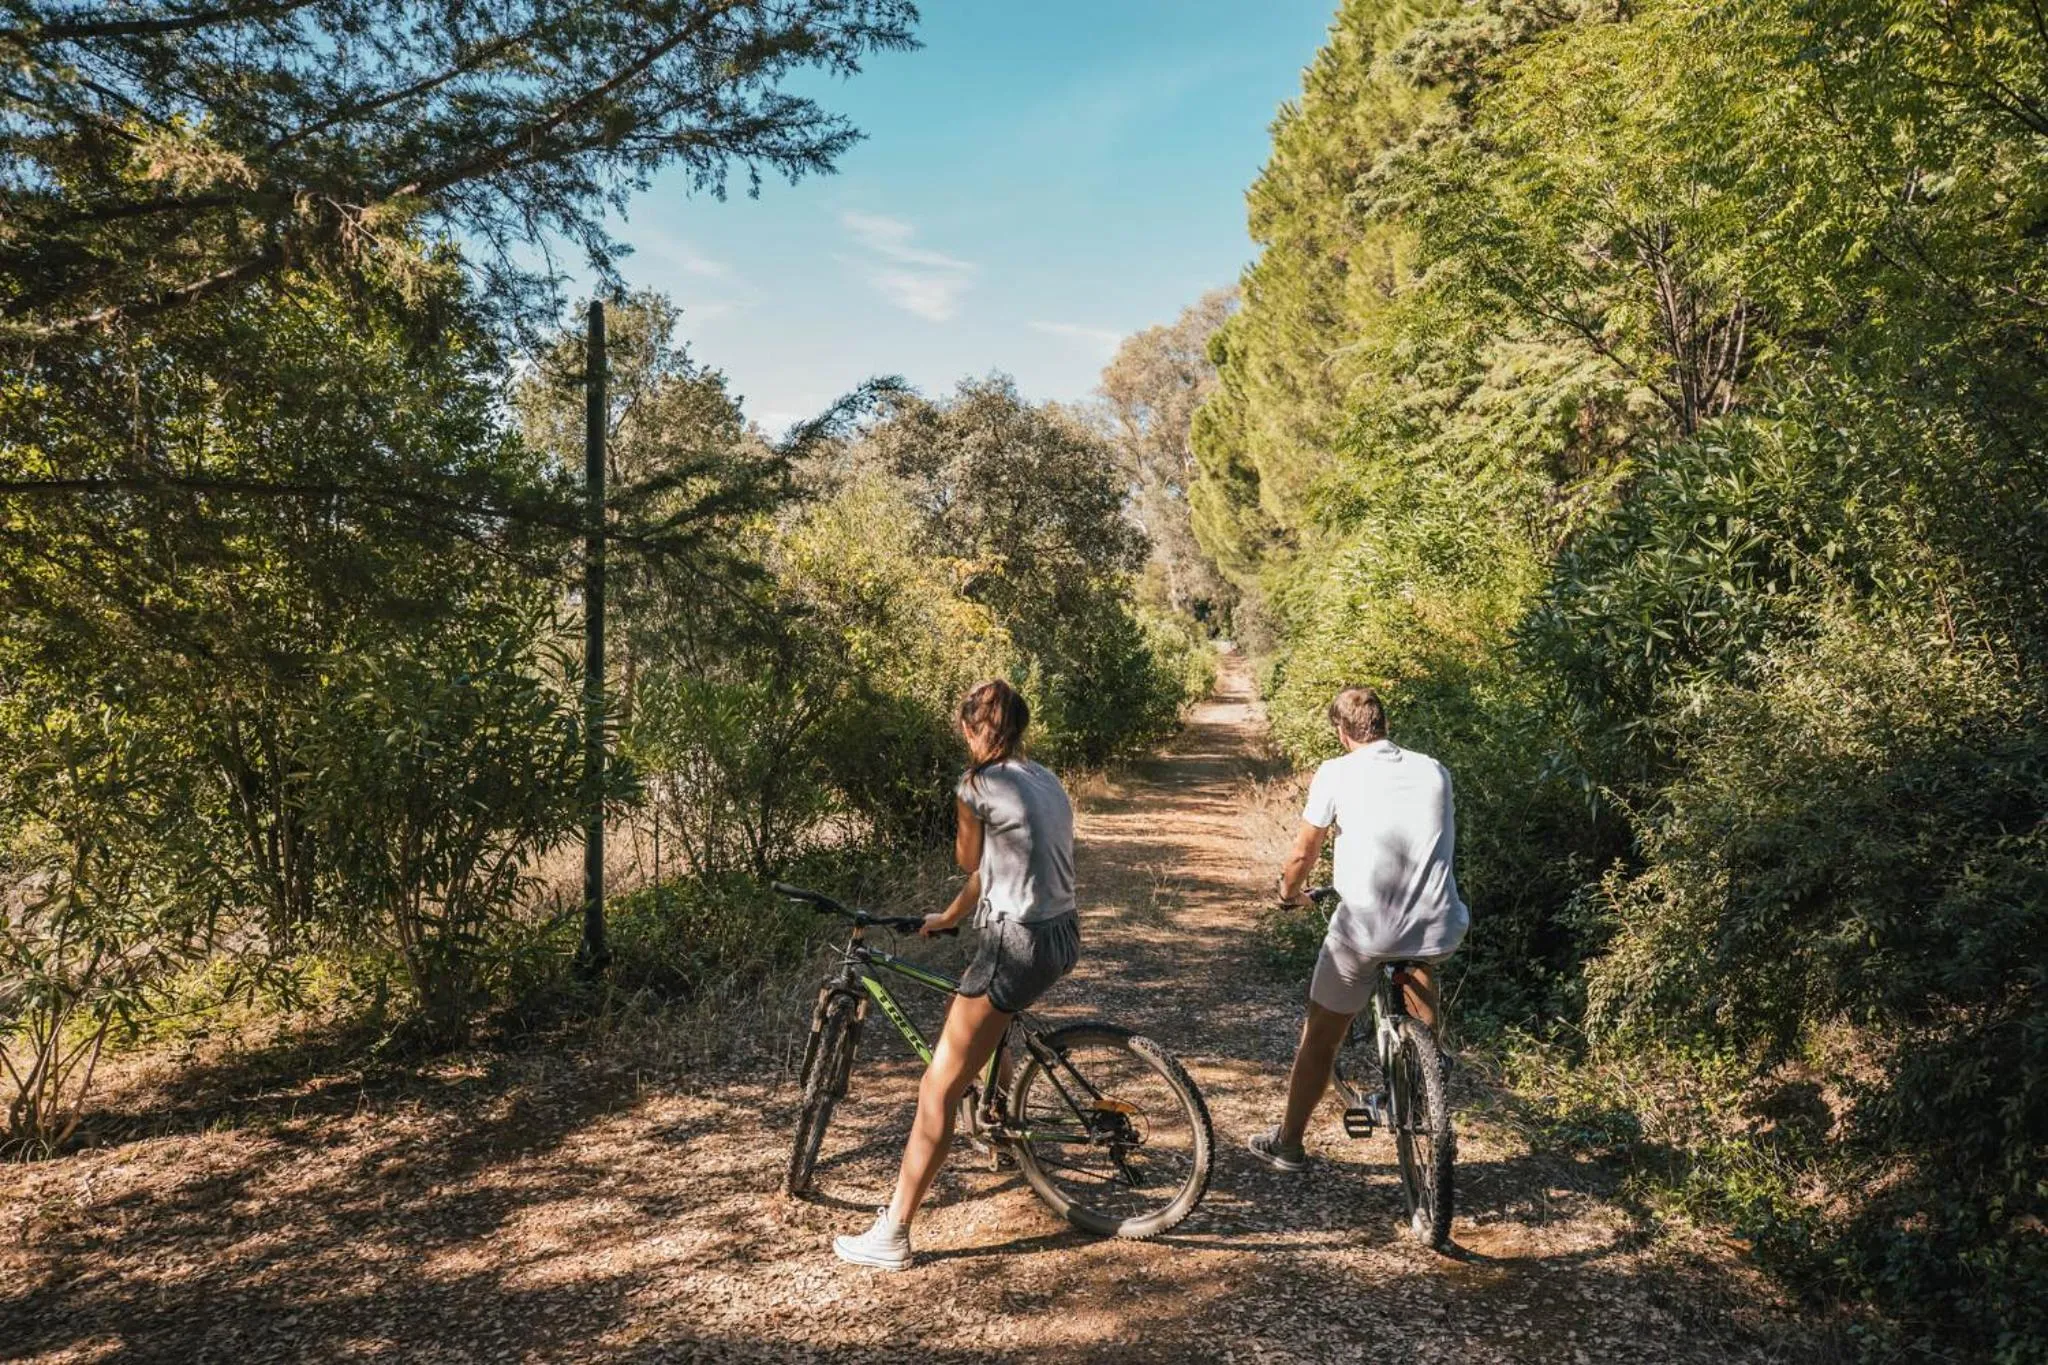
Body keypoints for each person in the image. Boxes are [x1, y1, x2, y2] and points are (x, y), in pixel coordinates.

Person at [833, 679, 1082, 1270]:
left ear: (972, 728)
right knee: (992, 1027)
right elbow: (1002, 866)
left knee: (937, 1087)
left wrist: (965, 814)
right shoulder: (1045, 778)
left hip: (1015, 944)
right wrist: (947, 918)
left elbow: (969, 860)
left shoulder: (976, 785)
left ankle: (892, 1232)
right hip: (1061, 936)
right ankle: (998, 1117)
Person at [1247, 685, 1469, 1173]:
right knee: (1419, 959)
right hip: (1438, 924)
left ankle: (1288, 1144)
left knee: (1320, 1035)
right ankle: (1425, 1071)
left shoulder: (1336, 772)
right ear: (1384, 725)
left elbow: (1303, 855)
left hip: (1365, 932)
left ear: (1342, 731)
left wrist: (1288, 893)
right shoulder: (1434, 770)